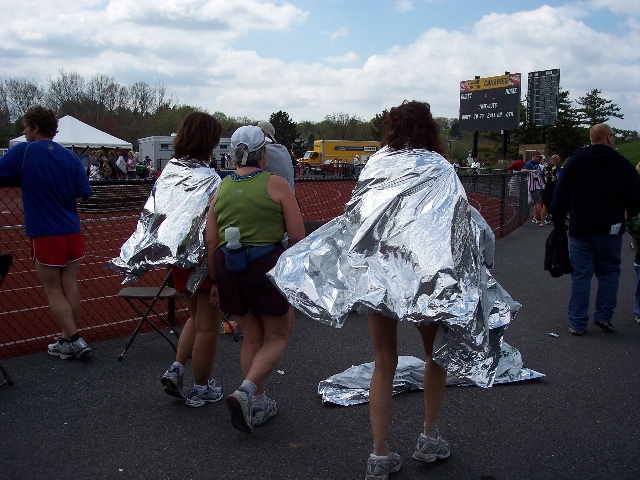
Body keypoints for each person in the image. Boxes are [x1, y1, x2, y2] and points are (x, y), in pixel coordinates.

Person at [269, 100, 520, 479]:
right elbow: (456, 224)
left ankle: (379, 453)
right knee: (435, 355)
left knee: (383, 362)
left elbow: (356, 218)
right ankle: (429, 437)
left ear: (392, 130)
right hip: (427, 279)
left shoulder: (376, 164)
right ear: (429, 130)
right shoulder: (440, 168)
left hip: (380, 279)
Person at [110, 112, 225, 406]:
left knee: (195, 319)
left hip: (178, 261)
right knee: (208, 326)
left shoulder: (168, 173)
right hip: (204, 261)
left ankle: (176, 368)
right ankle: (201, 388)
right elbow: (212, 228)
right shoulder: (211, 179)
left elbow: (154, 216)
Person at [205, 125, 304, 434]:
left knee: (250, 338)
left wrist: (215, 282)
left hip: (229, 268)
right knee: (278, 336)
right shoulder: (275, 184)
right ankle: (246, 391)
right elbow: (297, 236)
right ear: (264, 153)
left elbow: (211, 240)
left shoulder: (221, 187)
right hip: (266, 268)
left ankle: (258, 402)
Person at [0, 106, 93, 359]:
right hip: (72, 229)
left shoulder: (25, 150)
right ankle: (67, 338)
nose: (23, 132)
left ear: (35, 128)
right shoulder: (70, 156)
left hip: (45, 232)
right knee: (70, 284)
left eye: (26, 127)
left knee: (52, 288)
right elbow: (84, 190)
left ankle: (74, 339)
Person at [551, 124, 640, 335]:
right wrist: (628, 212)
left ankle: (577, 321)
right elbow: (636, 200)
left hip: (581, 227)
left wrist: (558, 222)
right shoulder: (621, 164)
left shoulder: (575, 162)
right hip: (610, 228)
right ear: (608, 138)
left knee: (581, 275)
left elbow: (559, 196)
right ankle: (604, 315)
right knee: (609, 272)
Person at [257, 120, 295, 191]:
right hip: (289, 195)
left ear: (265, 135)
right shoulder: (283, 149)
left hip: (274, 196)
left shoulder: (265, 151)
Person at [522, 152, 545, 223]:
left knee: (536, 202)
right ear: (532, 156)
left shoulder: (538, 164)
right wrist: (532, 171)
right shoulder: (529, 164)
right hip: (533, 186)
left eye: (538, 157)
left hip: (538, 185)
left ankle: (536, 217)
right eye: (536, 157)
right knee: (538, 202)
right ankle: (543, 218)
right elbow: (523, 170)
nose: (537, 158)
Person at [540, 154, 562, 227]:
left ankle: (542, 222)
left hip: (546, 188)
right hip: (555, 189)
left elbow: (541, 176)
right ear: (557, 161)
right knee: (556, 206)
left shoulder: (545, 168)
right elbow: (559, 178)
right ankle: (555, 223)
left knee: (545, 206)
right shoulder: (558, 169)